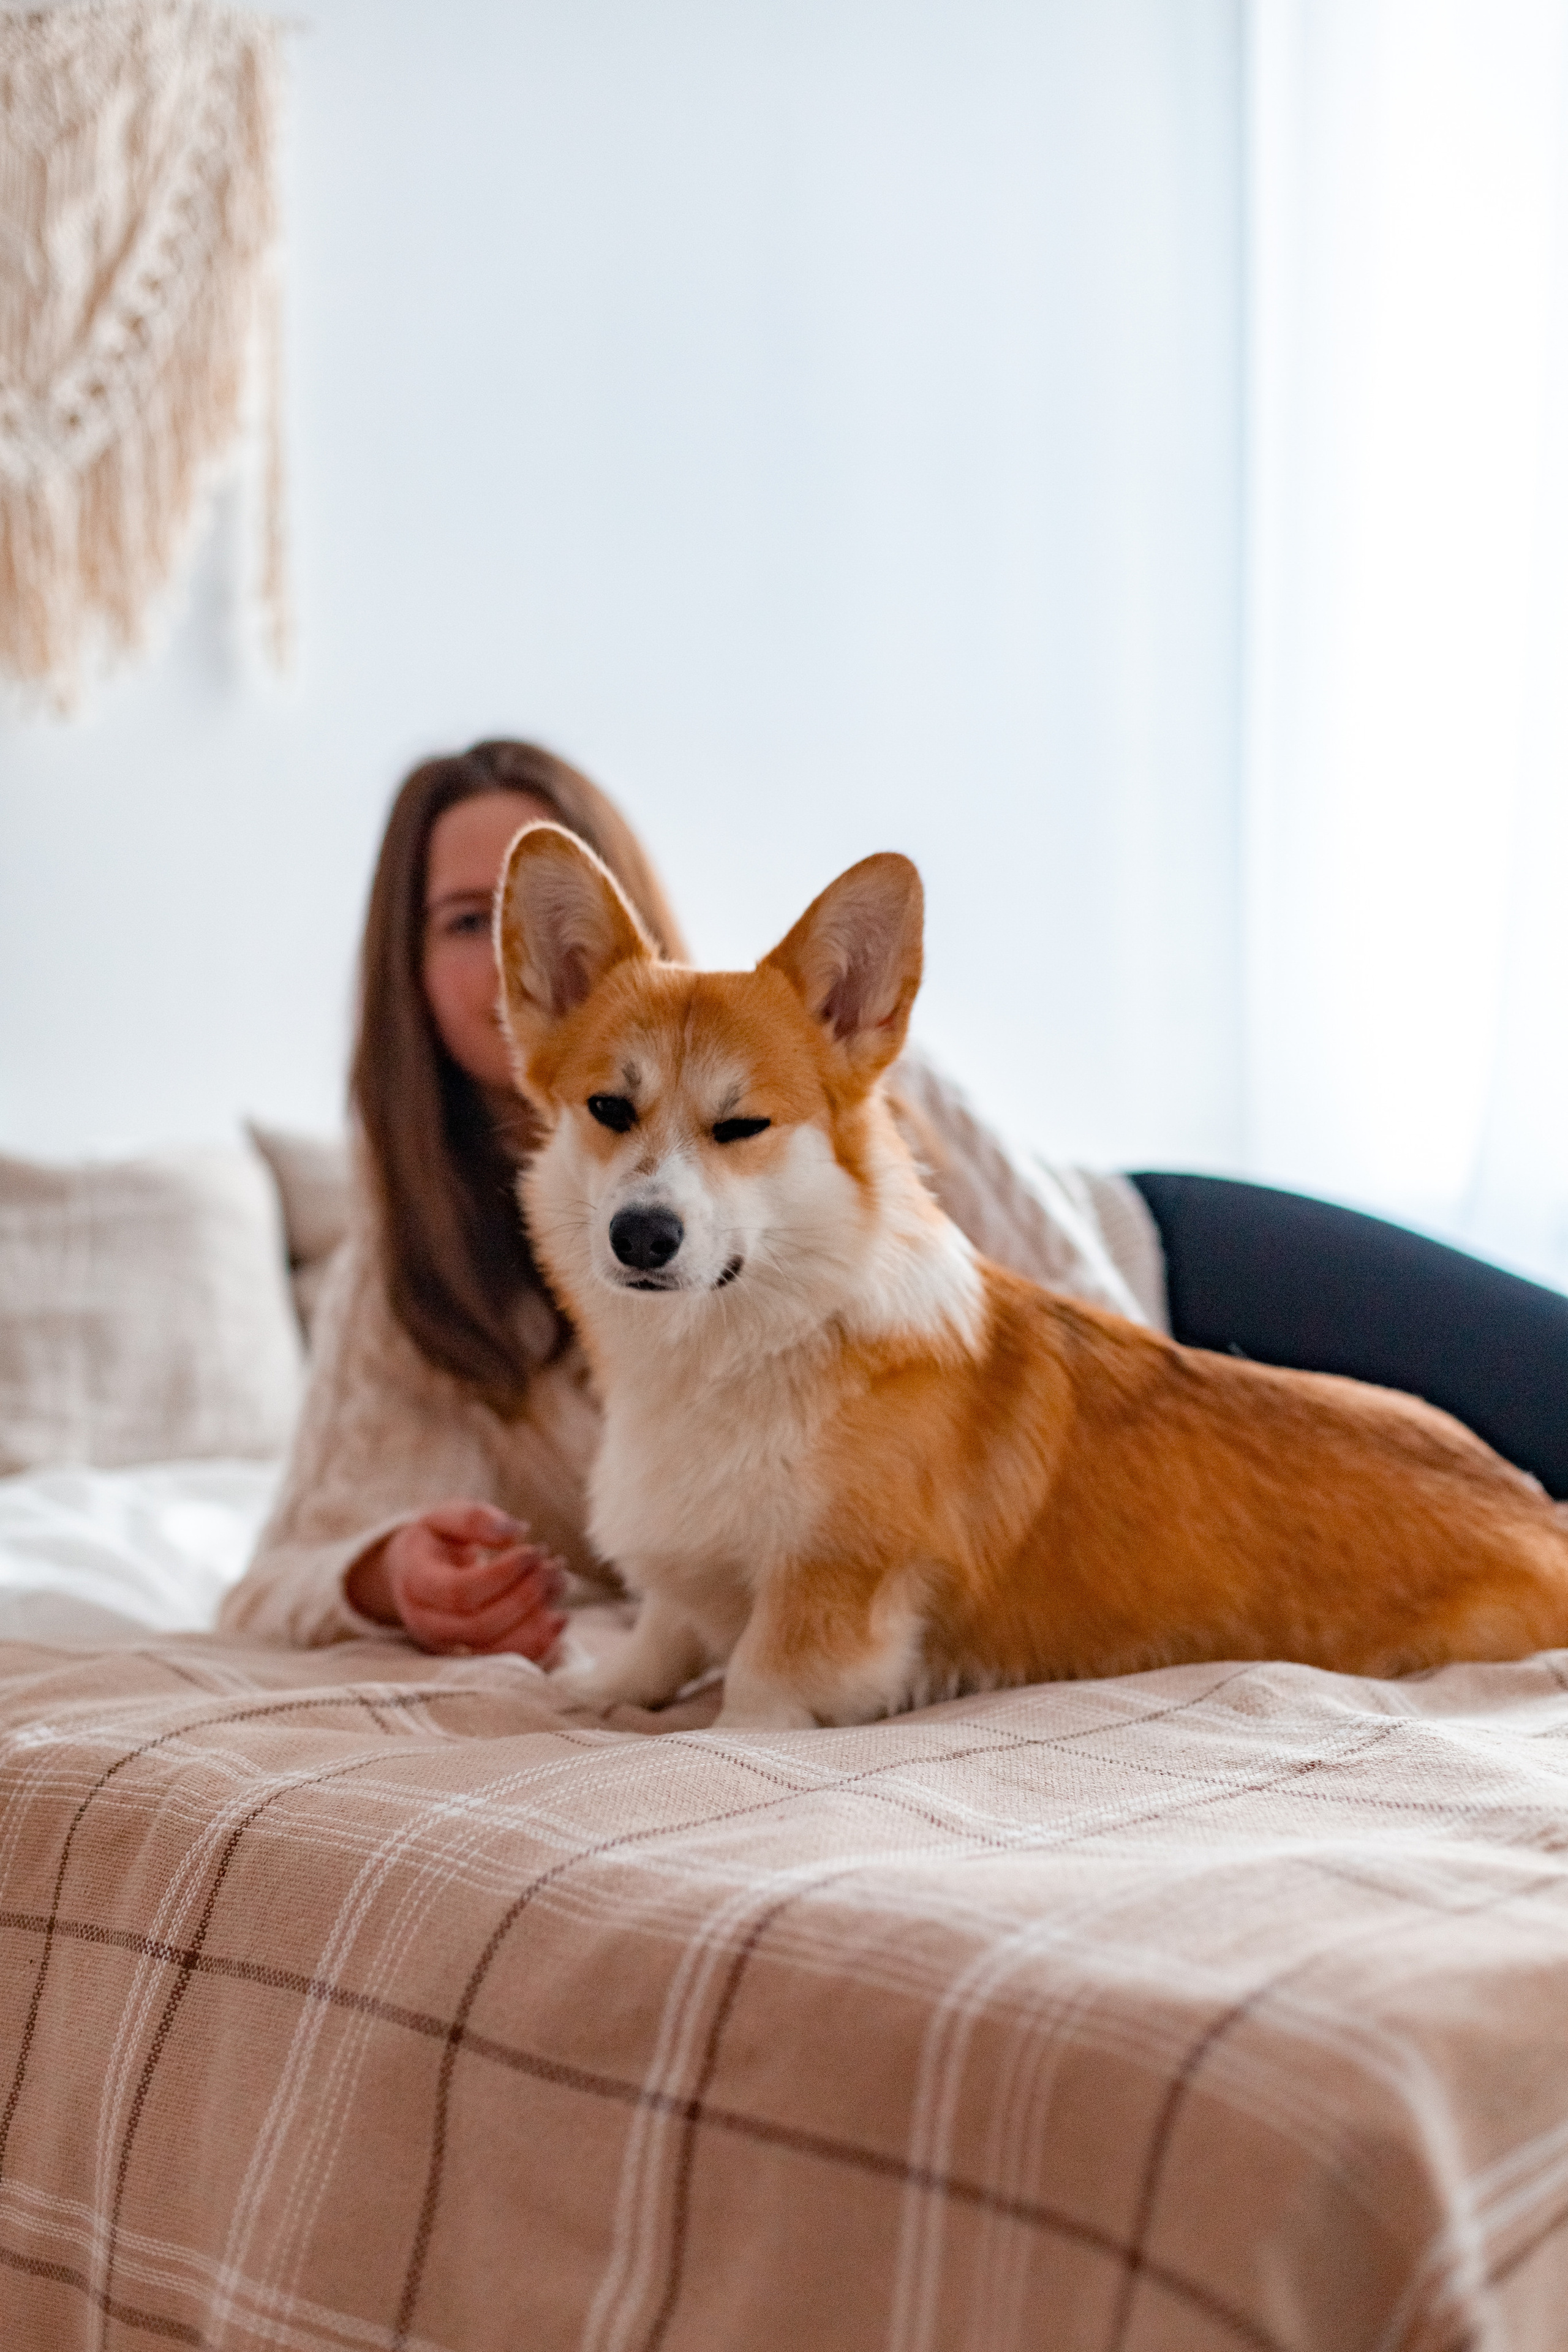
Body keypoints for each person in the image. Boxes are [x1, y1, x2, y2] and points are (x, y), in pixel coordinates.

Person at [219, 740, 1163, 1658]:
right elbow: (271, 1582)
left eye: (556, 910)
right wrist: (388, 1575)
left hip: (1174, 1251)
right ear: (409, 967)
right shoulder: (410, 1263)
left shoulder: (859, 1074)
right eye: (474, 919)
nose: (535, 942)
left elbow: (1116, 1361)